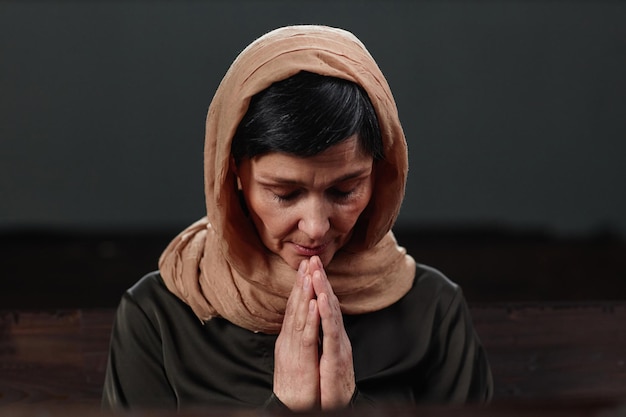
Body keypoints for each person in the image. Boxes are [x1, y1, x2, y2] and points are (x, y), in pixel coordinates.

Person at [102, 25, 493, 411]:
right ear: (233, 174)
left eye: (344, 190)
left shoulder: (432, 311)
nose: (316, 226)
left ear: (381, 173)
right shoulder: (159, 317)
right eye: (285, 194)